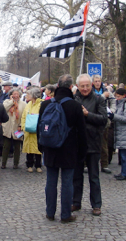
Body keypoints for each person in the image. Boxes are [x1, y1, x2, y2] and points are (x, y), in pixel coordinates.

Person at [40, 74, 87, 223]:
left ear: (57, 86)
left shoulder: (45, 104)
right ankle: (66, 214)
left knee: (51, 182)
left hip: (50, 148)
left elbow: (39, 128)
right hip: (69, 149)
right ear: (71, 87)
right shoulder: (75, 106)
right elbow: (82, 131)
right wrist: (82, 153)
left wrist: (42, 148)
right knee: (67, 183)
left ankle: (50, 212)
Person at [73, 74, 107, 216]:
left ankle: (96, 204)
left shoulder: (99, 99)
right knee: (76, 176)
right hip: (78, 143)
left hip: (93, 141)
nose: (85, 88)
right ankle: (75, 202)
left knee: (94, 176)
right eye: (82, 86)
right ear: (78, 87)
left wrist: (87, 115)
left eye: (87, 85)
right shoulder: (74, 99)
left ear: (91, 85)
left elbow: (103, 119)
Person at [108, 88, 126, 180]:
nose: (116, 98)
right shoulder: (120, 104)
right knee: (122, 153)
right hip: (121, 132)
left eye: (118, 96)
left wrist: (113, 116)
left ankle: (125, 173)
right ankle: (123, 172)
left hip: (125, 132)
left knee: (125, 154)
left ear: (124, 95)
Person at [93, 75, 116, 173]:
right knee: (91, 143)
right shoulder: (90, 91)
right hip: (93, 118)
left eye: (99, 81)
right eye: (96, 81)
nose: (97, 83)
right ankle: (88, 164)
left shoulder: (107, 91)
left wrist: (112, 111)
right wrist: (103, 96)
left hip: (104, 119)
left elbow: (113, 102)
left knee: (104, 144)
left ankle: (104, 164)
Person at [1, 88, 26, 169]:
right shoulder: (6, 102)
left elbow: (24, 116)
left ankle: (16, 163)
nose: (15, 95)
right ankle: (3, 163)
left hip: (18, 127)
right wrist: (12, 101)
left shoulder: (23, 104)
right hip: (8, 127)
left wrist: (21, 125)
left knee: (17, 146)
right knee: (6, 146)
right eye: (14, 94)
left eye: (17, 94)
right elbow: (4, 109)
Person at [21, 87, 43, 173]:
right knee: (29, 149)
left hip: (37, 131)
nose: (26, 96)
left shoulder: (41, 104)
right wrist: (23, 126)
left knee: (38, 149)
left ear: (33, 95)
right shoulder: (28, 104)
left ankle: (38, 165)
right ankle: (29, 164)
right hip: (28, 130)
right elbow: (23, 116)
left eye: (28, 94)